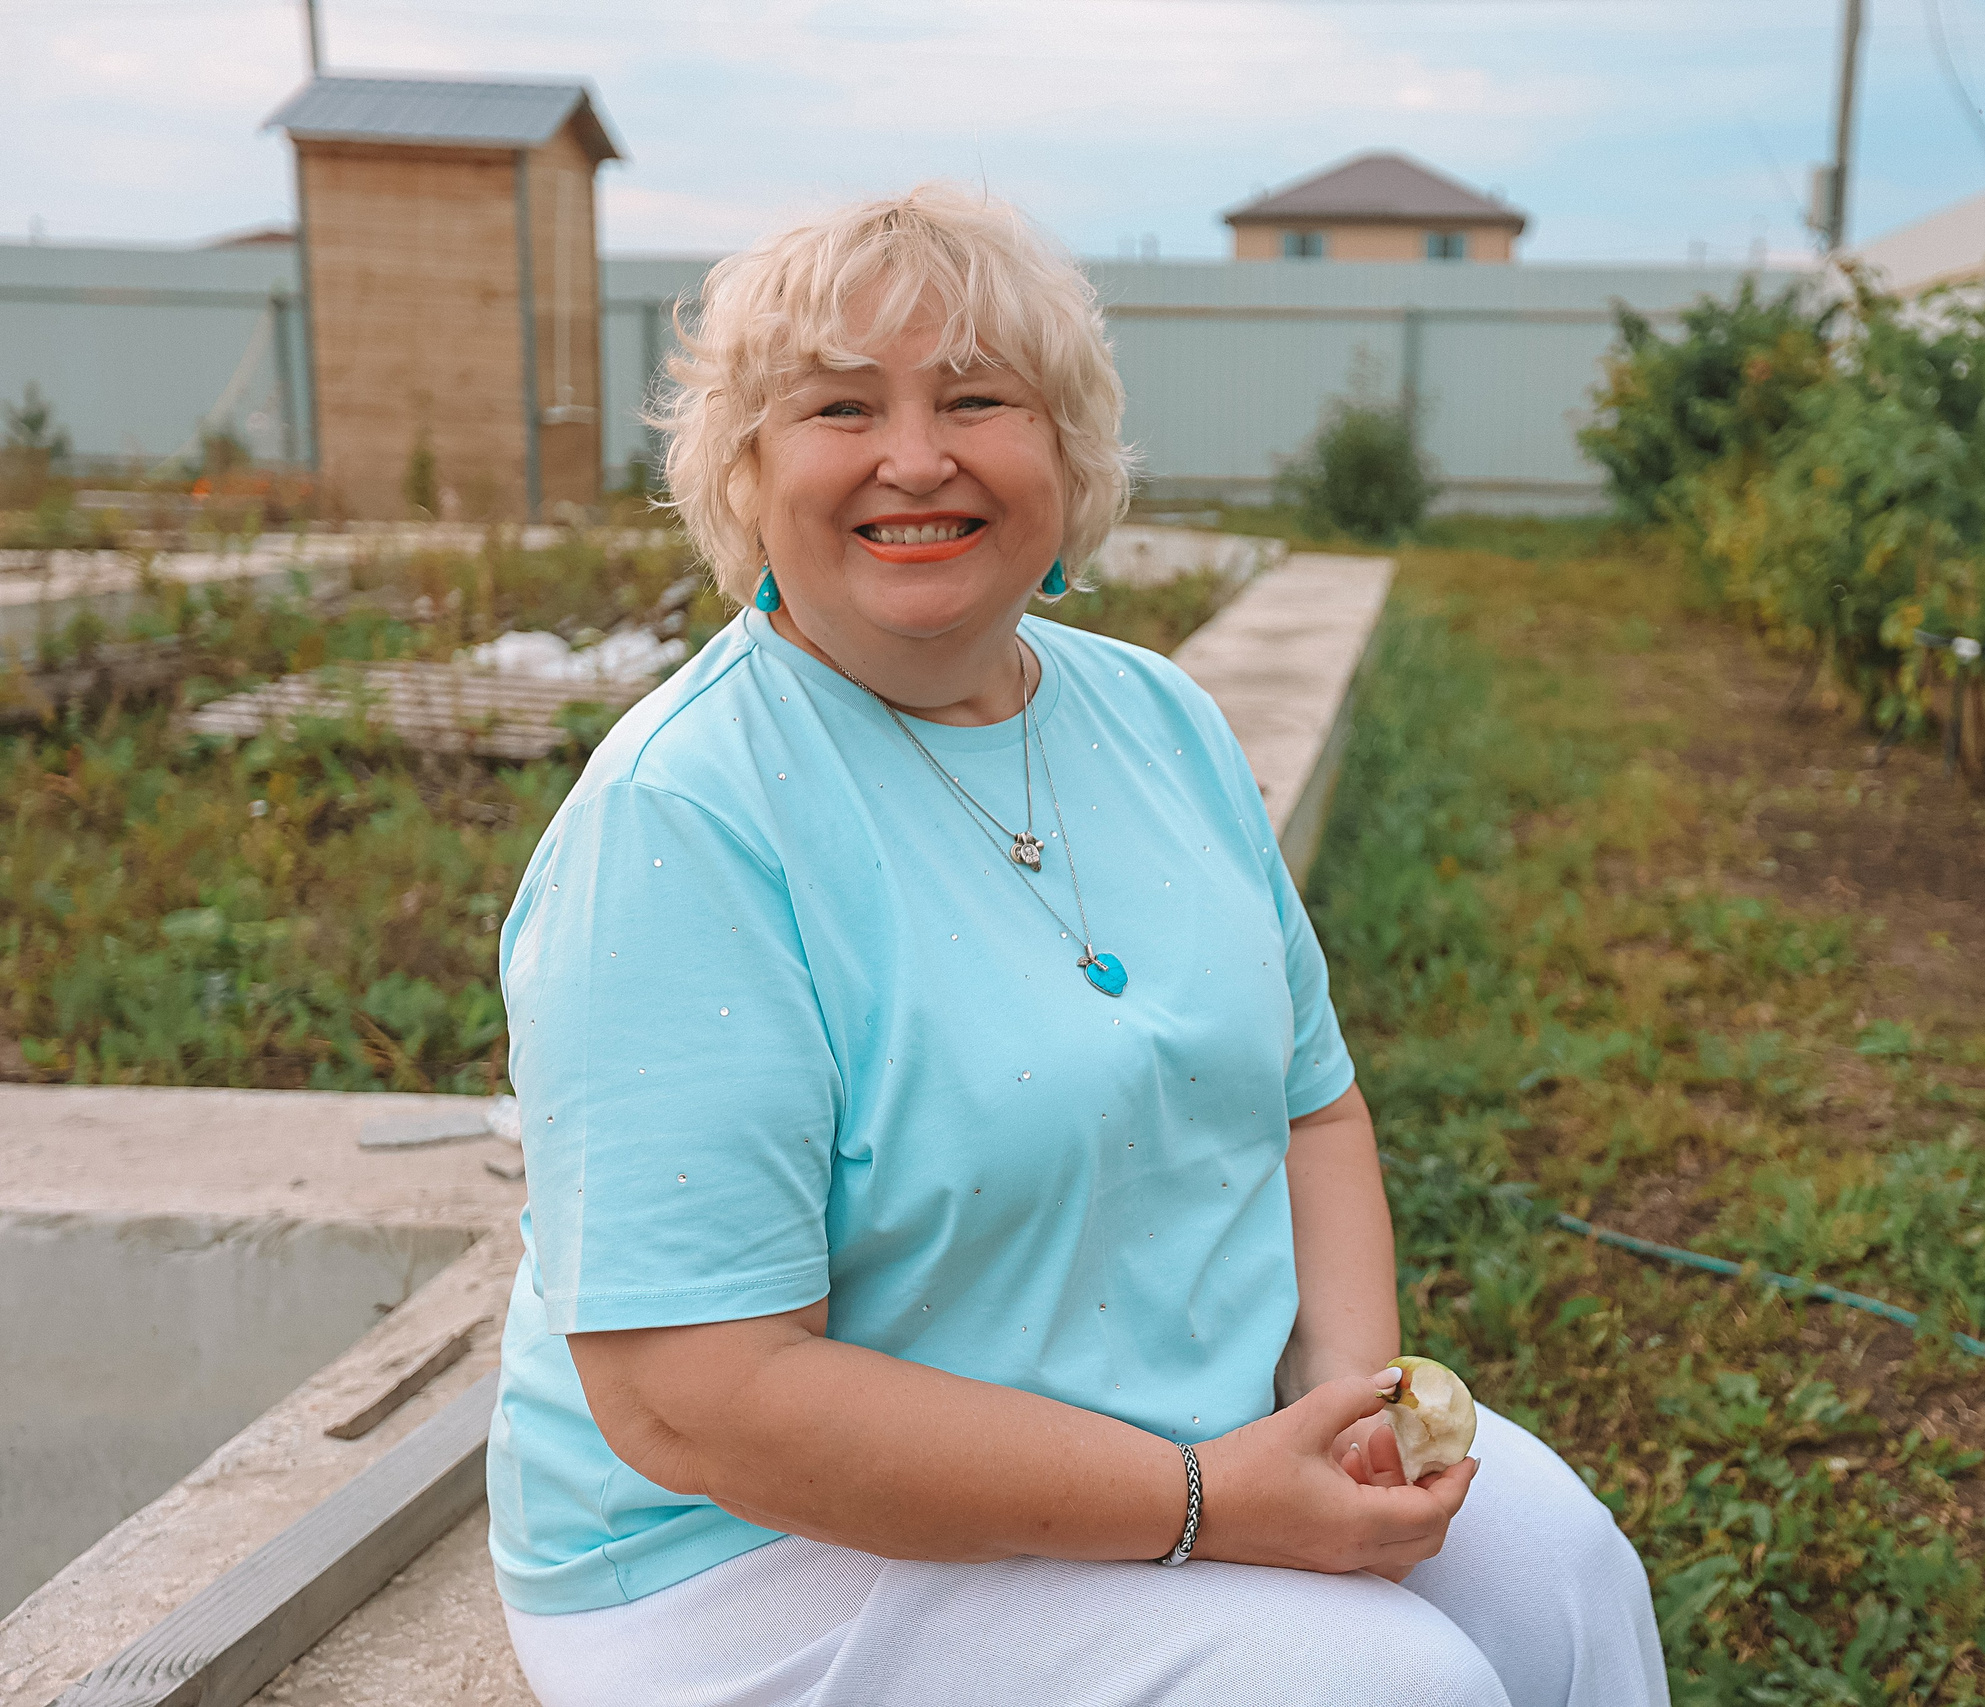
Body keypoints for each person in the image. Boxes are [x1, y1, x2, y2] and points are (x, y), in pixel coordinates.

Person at [487, 183, 1669, 1707]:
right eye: (842, 407)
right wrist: (1207, 1504)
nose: (918, 457)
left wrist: (1346, 1408)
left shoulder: (1154, 717)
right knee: (1386, 1686)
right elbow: (696, 1402)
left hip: (1200, 1430)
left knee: (1567, 1582)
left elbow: (1313, 1109)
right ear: (746, 469)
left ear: (1068, 450)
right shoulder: (684, 821)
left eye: (978, 397)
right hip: (762, 1552)